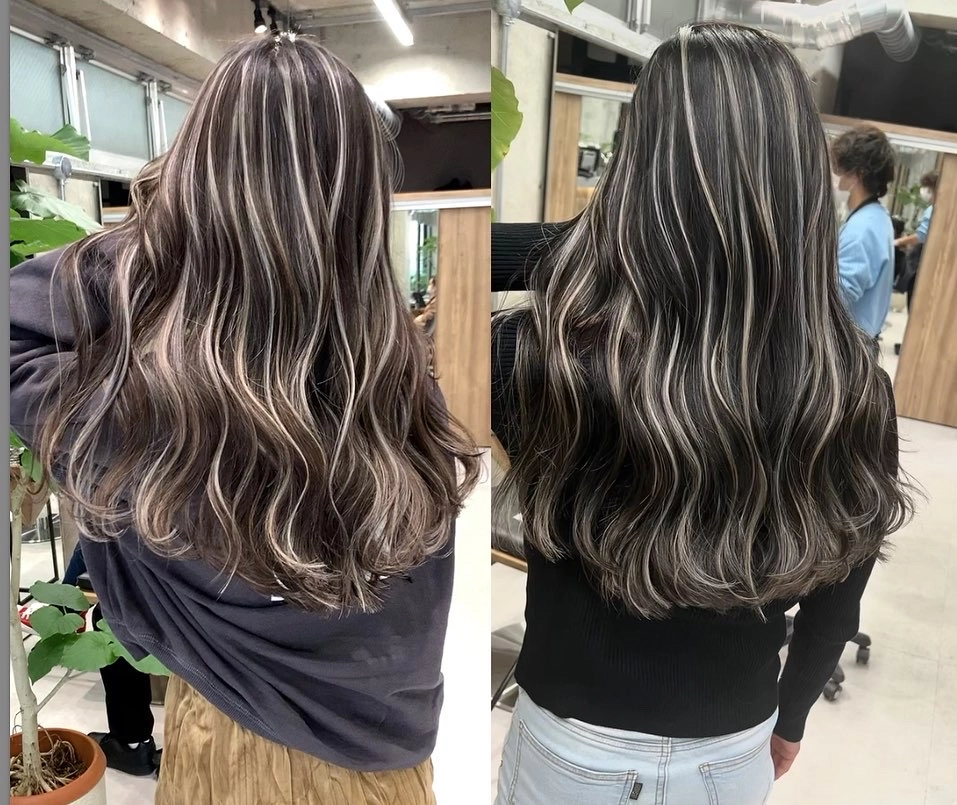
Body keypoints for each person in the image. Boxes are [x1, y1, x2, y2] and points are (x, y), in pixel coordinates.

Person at [10, 33, 480, 805]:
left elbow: (21, 332)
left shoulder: (169, 419)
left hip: (249, 739)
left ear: (196, 178)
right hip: (379, 743)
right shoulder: (394, 374)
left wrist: (175, 234)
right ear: (363, 193)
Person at [491, 23, 912, 804]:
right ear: (801, 175)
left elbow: (478, 254)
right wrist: (791, 715)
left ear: (635, 161)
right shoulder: (851, 390)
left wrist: (619, 230)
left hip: (569, 744)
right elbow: (835, 601)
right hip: (730, 749)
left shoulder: (537, 356)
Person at [830, 125, 897, 341]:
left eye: (838, 169)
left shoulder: (863, 229)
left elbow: (837, 297)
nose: (835, 177)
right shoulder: (876, 216)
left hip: (849, 343)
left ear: (857, 174)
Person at [894, 171, 937, 312]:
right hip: (925, 265)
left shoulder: (934, 209)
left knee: (915, 305)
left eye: (928, 188)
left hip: (922, 267)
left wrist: (898, 242)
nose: (925, 192)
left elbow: (921, 236)